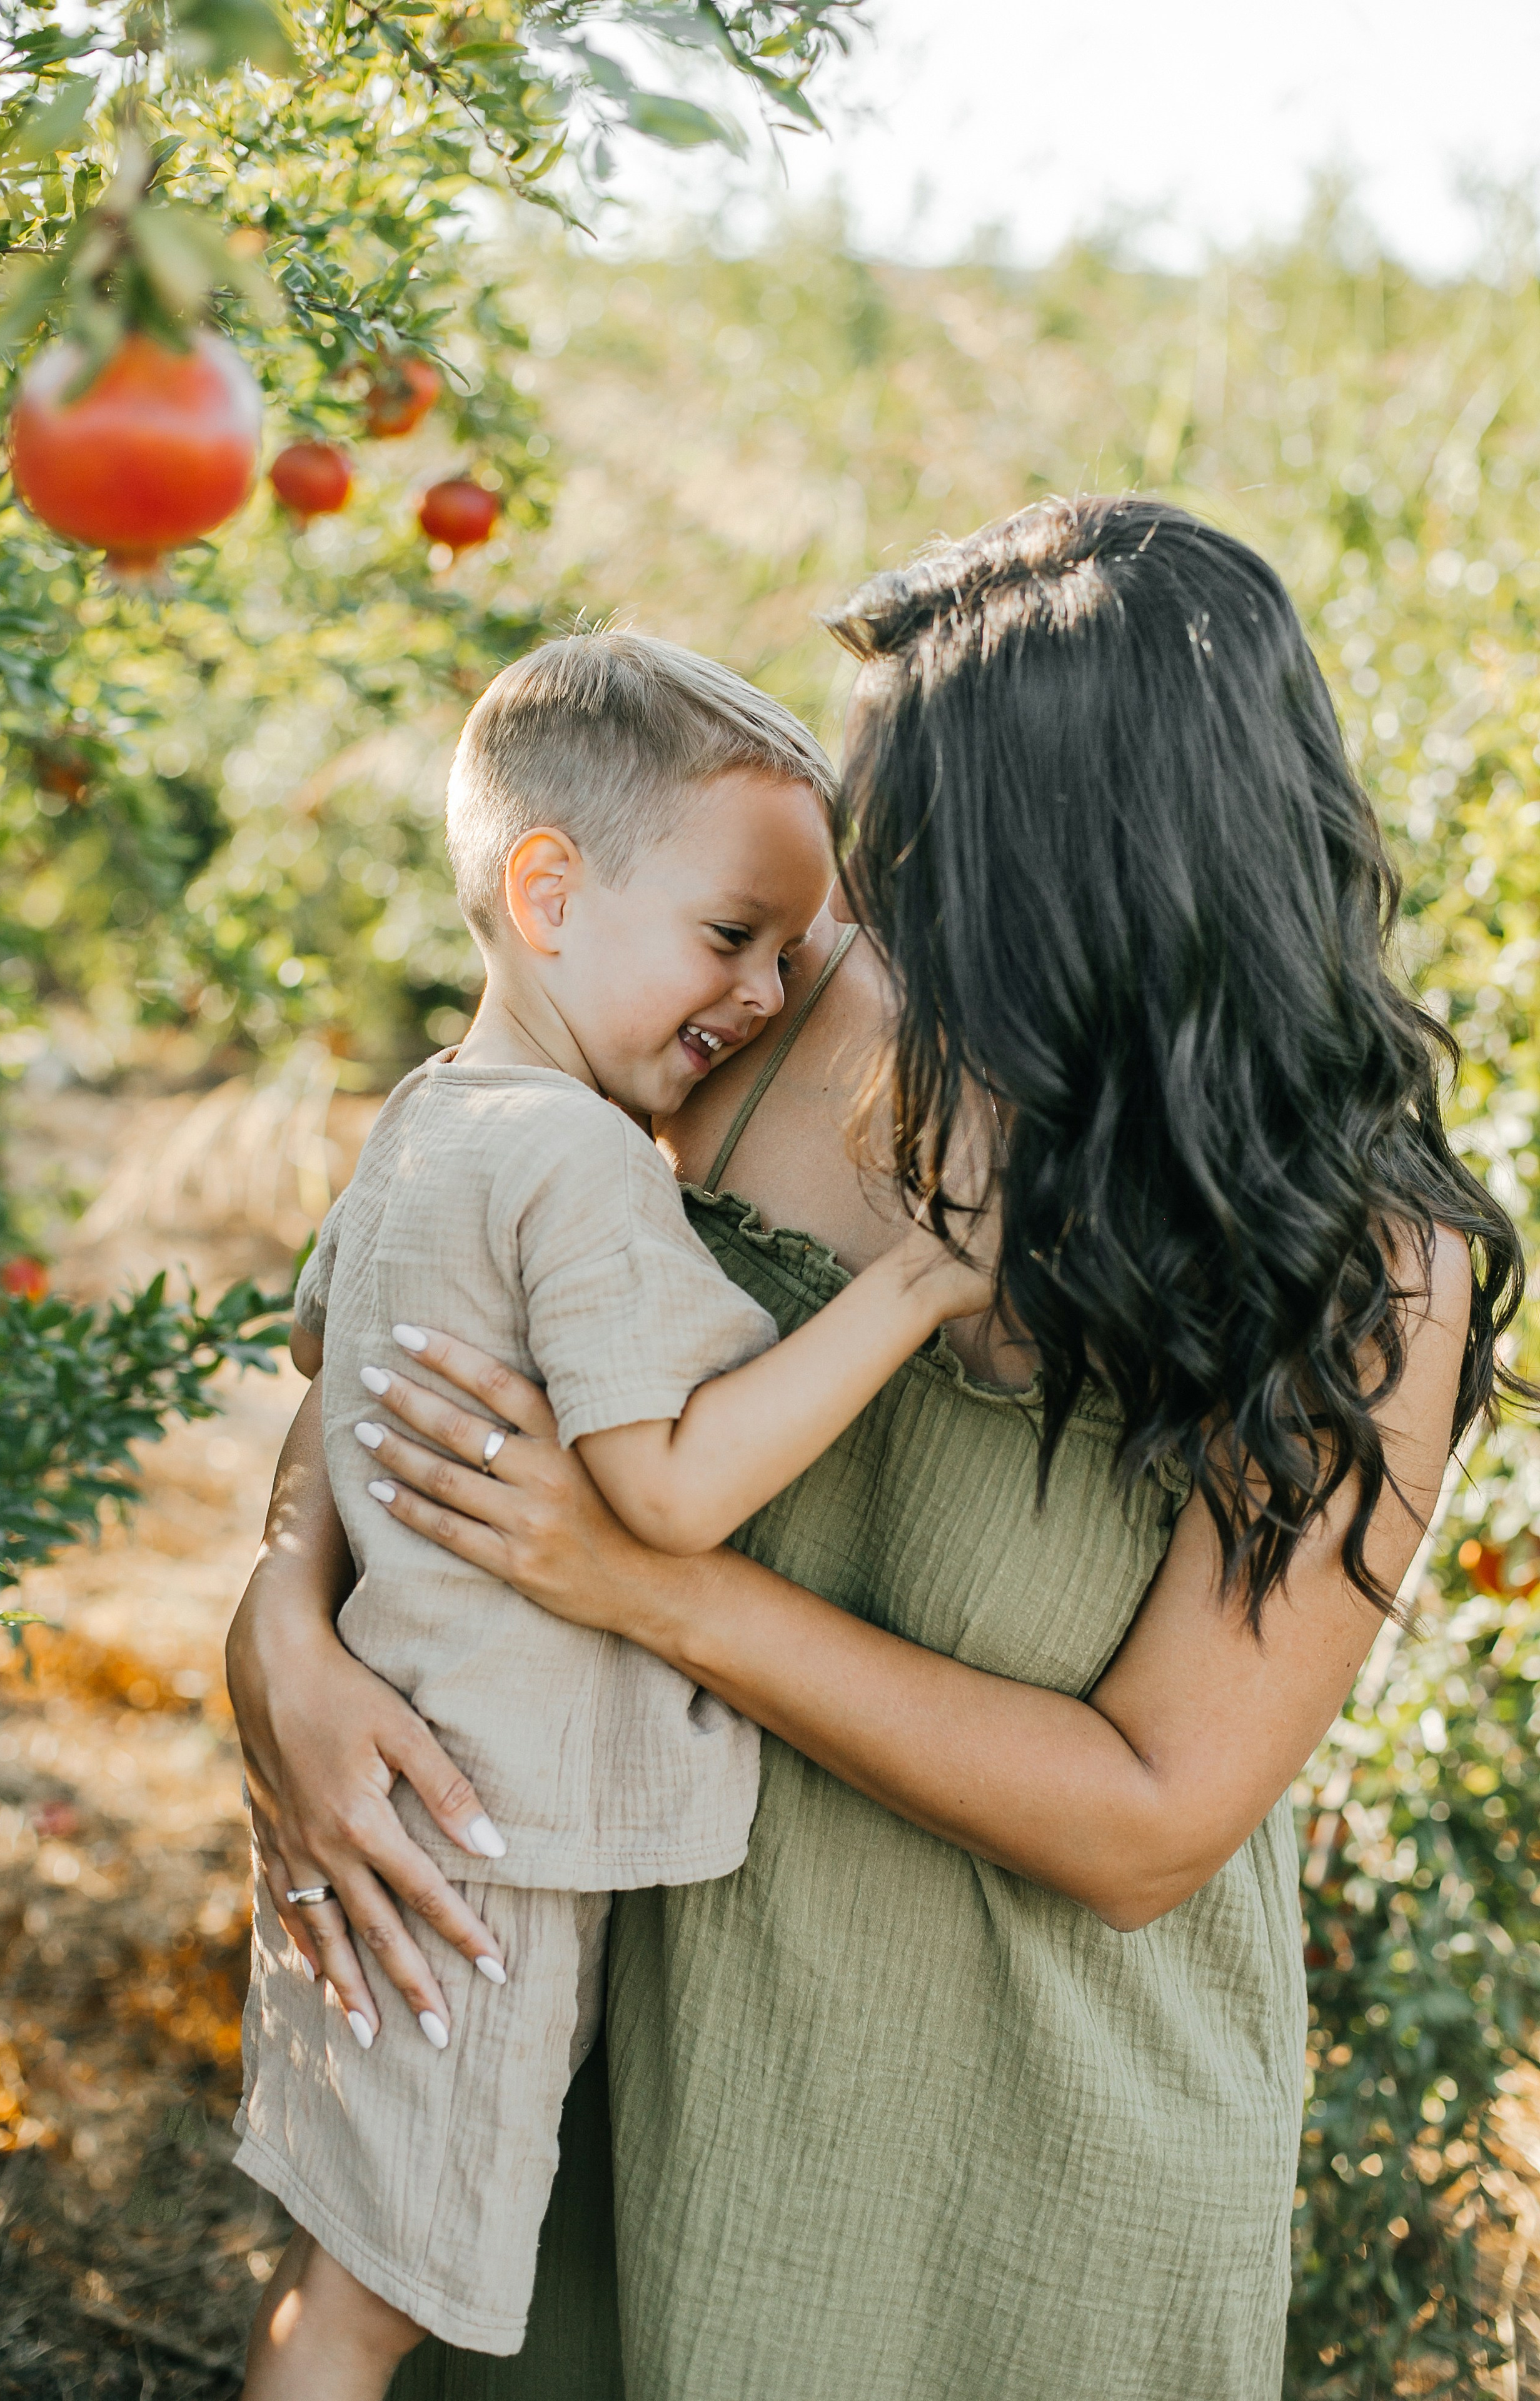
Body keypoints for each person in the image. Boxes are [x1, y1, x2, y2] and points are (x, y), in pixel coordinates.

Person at [228, 497, 1526, 2401]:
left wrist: (655, 1591)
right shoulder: (768, 1015)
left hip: (1026, 2150)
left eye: (914, 844)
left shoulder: (1370, 1259)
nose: (864, 898)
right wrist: (281, 1628)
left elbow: (1153, 1821)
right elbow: (436, 1298)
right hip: (626, 2042)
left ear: (1084, 866)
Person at [234, 632, 989, 2398]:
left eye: (791, 952)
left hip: (411, 1795)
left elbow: (324, 1349)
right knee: (366, 2312)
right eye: (732, 935)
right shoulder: (575, 1160)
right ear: (548, 893)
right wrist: (921, 1284)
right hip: (479, 1839)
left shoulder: (428, 1118)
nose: (766, 992)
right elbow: (665, 1488)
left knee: (346, 2275)